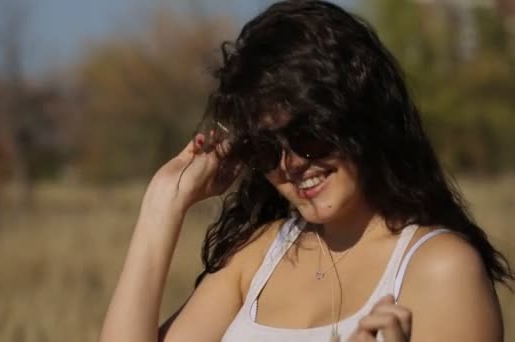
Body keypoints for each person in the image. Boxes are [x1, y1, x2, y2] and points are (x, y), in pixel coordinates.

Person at [99, 1, 513, 341]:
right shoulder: (256, 257)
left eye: (308, 135)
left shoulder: (440, 270)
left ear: (361, 115)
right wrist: (162, 206)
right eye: (265, 148)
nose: (291, 164)